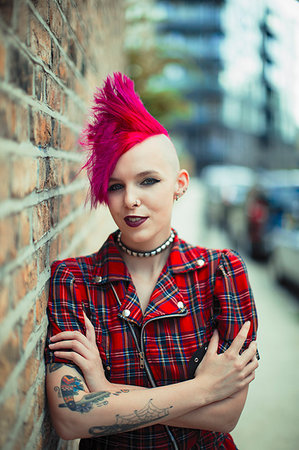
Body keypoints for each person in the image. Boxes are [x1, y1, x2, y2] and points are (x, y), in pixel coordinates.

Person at [45, 72, 259, 450]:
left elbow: (227, 415)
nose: (130, 200)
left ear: (180, 184)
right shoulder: (72, 279)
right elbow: (71, 416)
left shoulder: (222, 272)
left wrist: (106, 390)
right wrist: (204, 389)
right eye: (115, 185)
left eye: (147, 181)